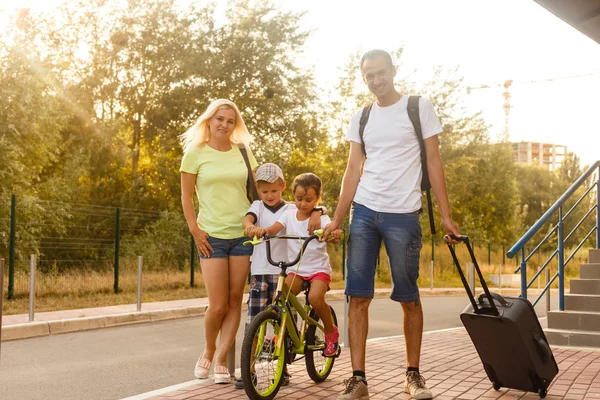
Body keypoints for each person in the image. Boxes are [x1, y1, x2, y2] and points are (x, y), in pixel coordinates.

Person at [322, 50, 461, 400]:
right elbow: (352, 170)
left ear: (393, 71)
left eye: (381, 73)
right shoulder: (362, 117)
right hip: (364, 212)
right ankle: (358, 379)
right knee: (357, 297)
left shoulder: (418, 108)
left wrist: (446, 215)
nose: (375, 80)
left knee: (408, 297)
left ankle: (413, 375)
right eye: (368, 74)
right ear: (363, 76)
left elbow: (434, 161)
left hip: (404, 214)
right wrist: (338, 218)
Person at [179, 98, 257, 384]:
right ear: (209, 121)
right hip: (210, 236)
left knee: (237, 299)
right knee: (218, 305)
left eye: (230, 120)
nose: (224, 124)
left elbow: (262, 192)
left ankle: (223, 358)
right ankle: (209, 349)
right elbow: (186, 197)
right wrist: (195, 231)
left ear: (235, 125)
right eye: (219, 119)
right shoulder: (195, 153)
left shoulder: (244, 153)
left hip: (242, 236)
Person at [233, 163, 324, 389]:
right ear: (258, 191)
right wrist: (250, 227)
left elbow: (312, 207)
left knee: (284, 320)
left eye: (274, 190)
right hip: (261, 270)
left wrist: (317, 211)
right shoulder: (257, 205)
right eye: (265, 191)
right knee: (254, 319)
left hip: (285, 272)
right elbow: (248, 219)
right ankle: (249, 369)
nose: (270, 195)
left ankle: (282, 369)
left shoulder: (291, 209)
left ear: (283, 187)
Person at [247, 172, 343, 357]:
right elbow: (275, 227)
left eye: (308, 200)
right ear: (293, 197)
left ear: (317, 198)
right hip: (296, 269)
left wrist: (331, 235)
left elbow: (330, 232)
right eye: (299, 199)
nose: (303, 204)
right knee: (281, 297)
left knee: (315, 298)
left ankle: (331, 332)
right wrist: (263, 230)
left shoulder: (321, 218)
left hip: (318, 270)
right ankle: (282, 335)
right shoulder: (288, 214)